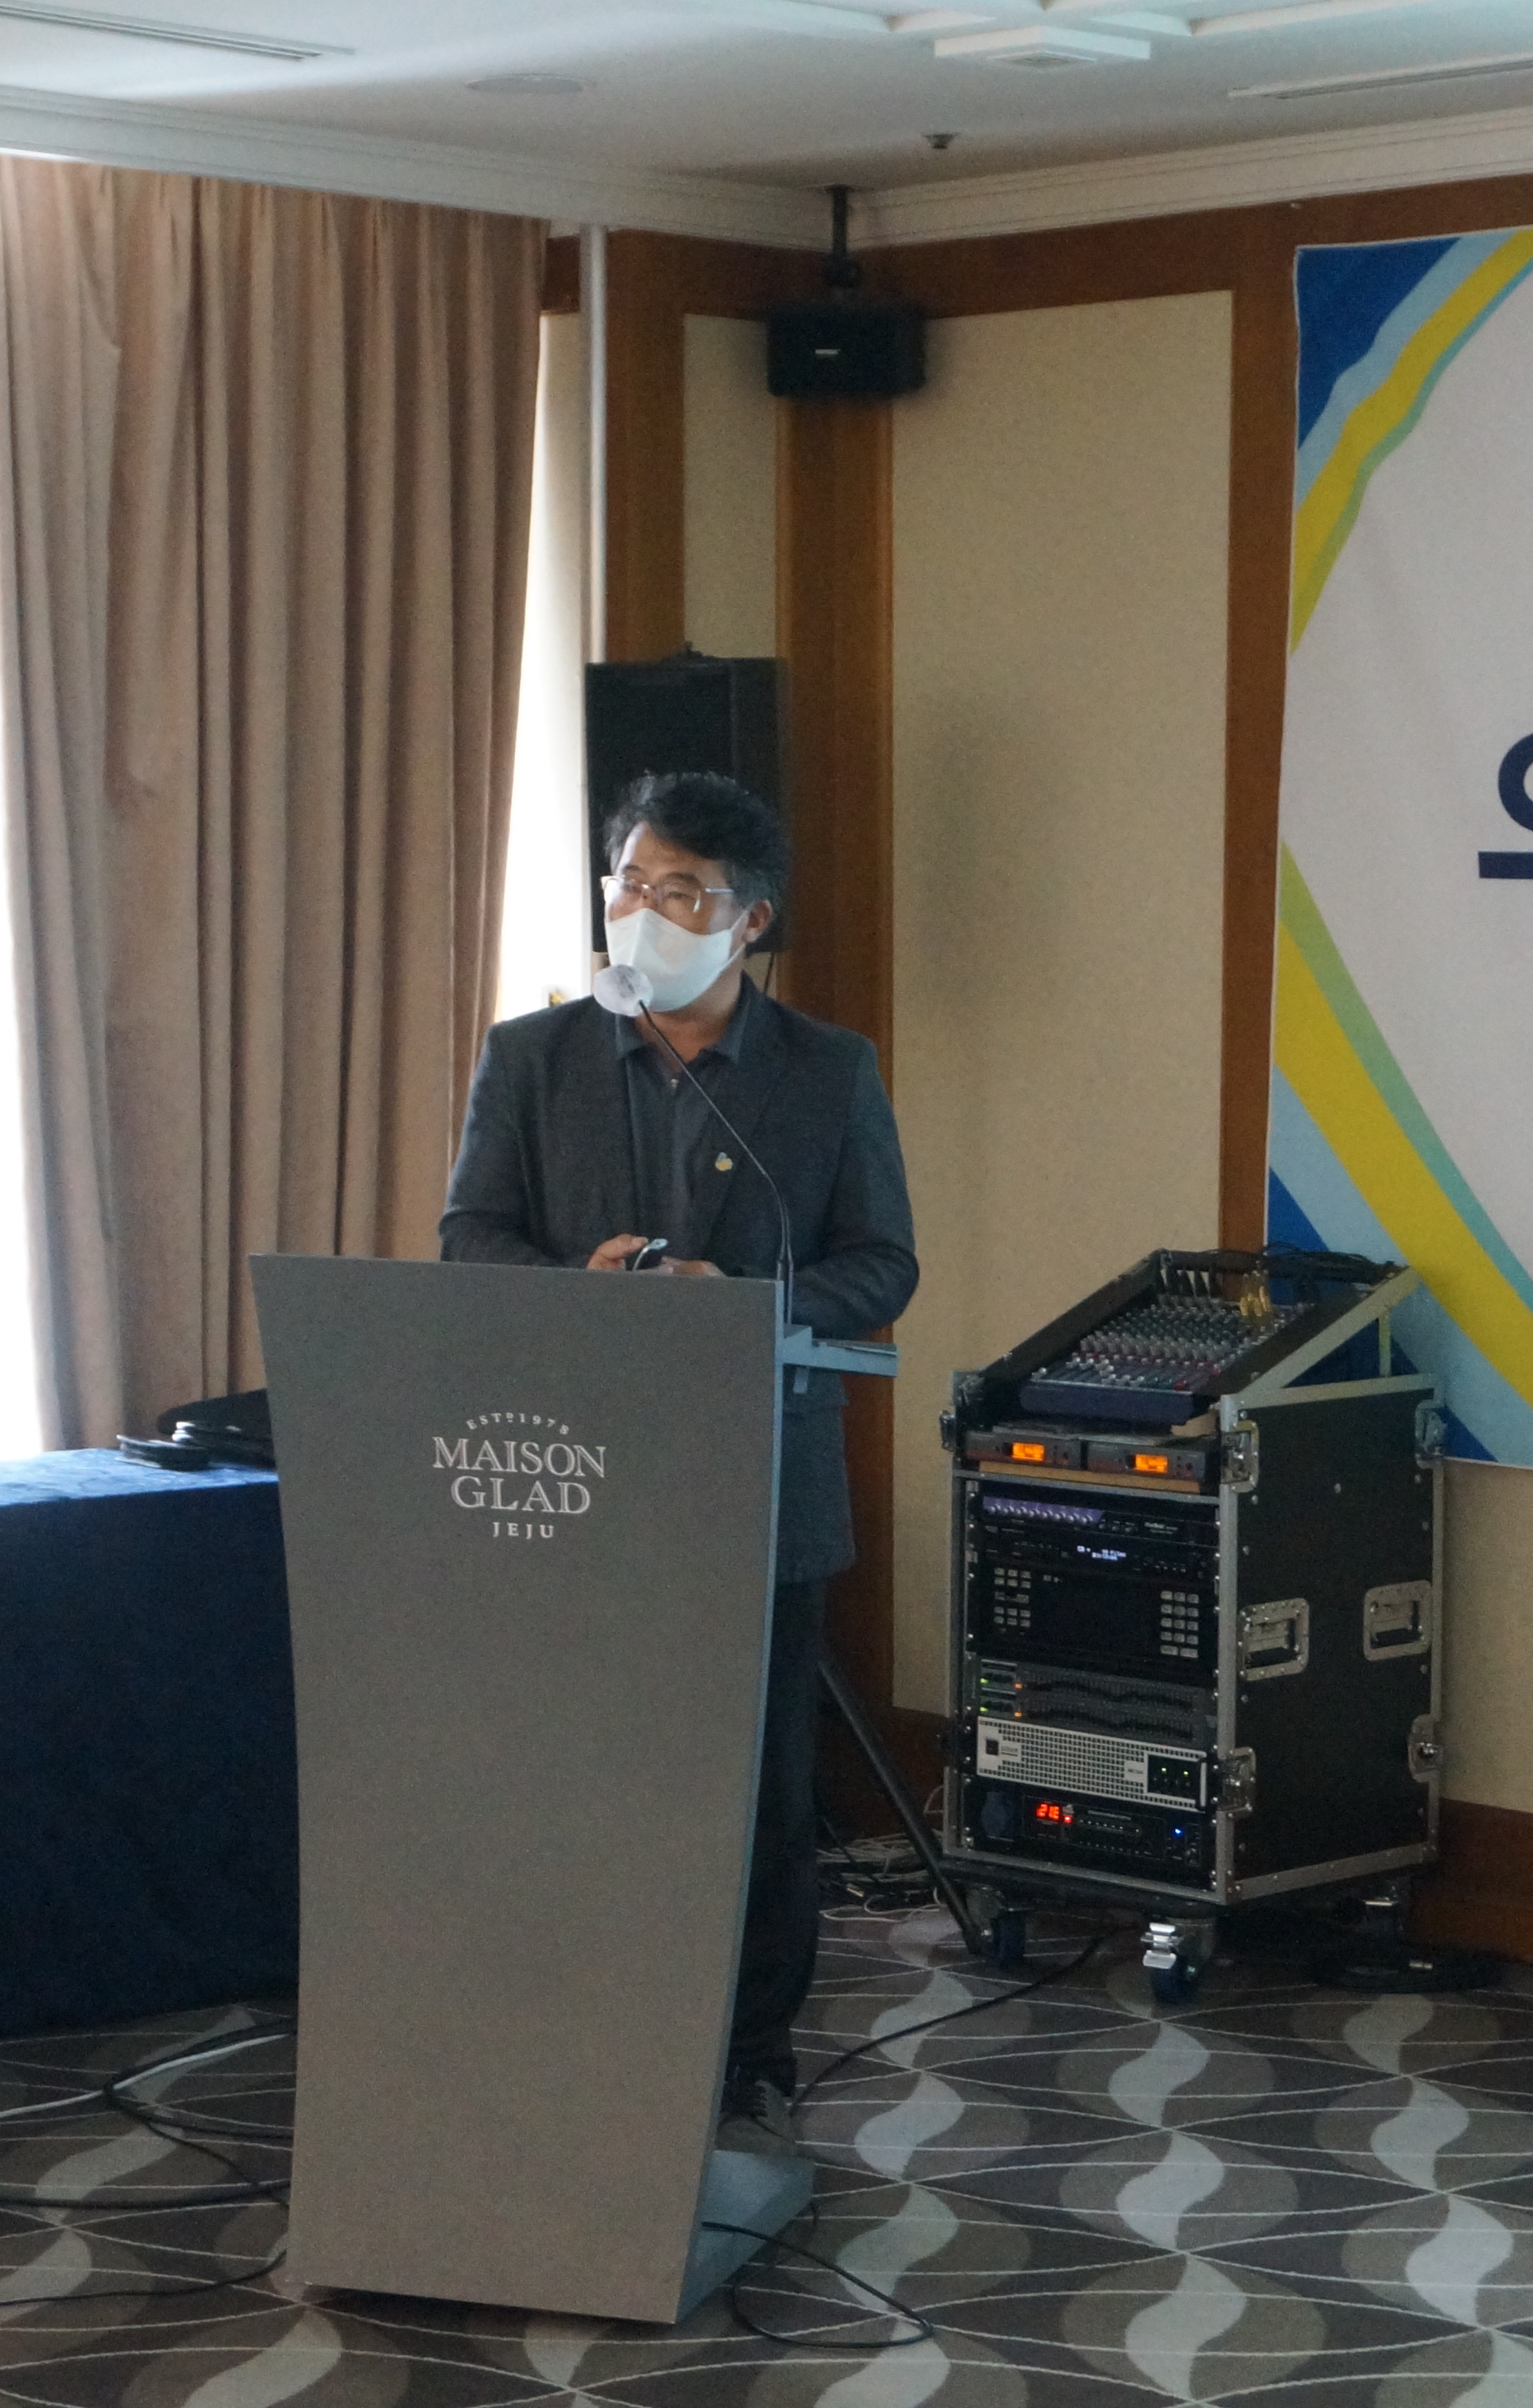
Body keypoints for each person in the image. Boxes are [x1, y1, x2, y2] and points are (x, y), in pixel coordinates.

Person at [440, 769, 918, 2147]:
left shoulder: (828, 1070)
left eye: (684, 894)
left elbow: (882, 1264)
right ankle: (580, 2037)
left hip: (755, 1485)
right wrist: (576, 1290)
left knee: (757, 1792)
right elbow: (469, 1239)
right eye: (632, 884)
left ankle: (749, 2061)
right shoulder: (531, 1058)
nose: (645, 912)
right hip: (567, 1484)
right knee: (583, 1777)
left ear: (750, 921)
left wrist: (746, 1302)